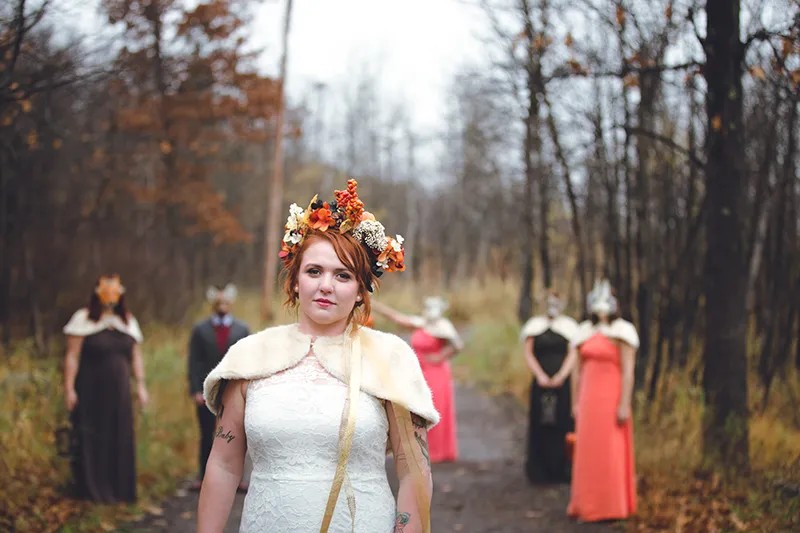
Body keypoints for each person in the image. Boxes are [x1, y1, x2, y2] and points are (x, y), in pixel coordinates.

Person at [197, 179, 438, 533]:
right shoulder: (250, 355)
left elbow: (414, 471)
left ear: (360, 291)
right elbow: (224, 464)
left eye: (343, 275)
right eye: (314, 271)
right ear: (295, 281)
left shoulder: (389, 358)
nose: (326, 285)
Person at [62, 274, 148, 503]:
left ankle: (119, 491)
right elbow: (72, 356)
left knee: (119, 434)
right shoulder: (83, 319)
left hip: (119, 392)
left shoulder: (127, 321)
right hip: (91, 389)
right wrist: (69, 388)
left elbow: (136, 356)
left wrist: (140, 386)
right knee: (93, 435)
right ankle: (92, 490)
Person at [565, 279, 639, 522]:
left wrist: (623, 403)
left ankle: (610, 505)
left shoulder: (623, 332)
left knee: (610, 450)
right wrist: (575, 402)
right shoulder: (584, 332)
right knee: (587, 449)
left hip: (611, 396)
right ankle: (586, 504)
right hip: (589, 397)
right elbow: (576, 370)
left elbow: (628, 370)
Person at [373, 296, 463, 464]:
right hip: (419, 370)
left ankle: (438, 451)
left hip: (436, 371)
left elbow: (456, 345)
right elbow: (396, 317)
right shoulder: (420, 323)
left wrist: (440, 356)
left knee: (435, 406)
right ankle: (418, 449)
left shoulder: (443, 326)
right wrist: (374, 304)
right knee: (415, 406)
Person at [188, 284, 250, 491]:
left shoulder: (242, 329)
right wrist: (196, 389)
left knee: (237, 434)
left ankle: (238, 477)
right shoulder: (200, 330)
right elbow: (194, 361)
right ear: (213, 304)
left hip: (233, 389)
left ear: (231, 304)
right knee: (206, 434)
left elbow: (247, 360)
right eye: (219, 302)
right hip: (207, 389)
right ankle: (204, 476)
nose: (222, 306)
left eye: (226, 302)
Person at [519, 290, 579, 484]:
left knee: (562, 422)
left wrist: (562, 375)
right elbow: (528, 353)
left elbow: (573, 353)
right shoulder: (535, 326)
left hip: (563, 383)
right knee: (541, 422)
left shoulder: (569, 327)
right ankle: (539, 470)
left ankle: (562, 469)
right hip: (541, 383)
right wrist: (540, 376)